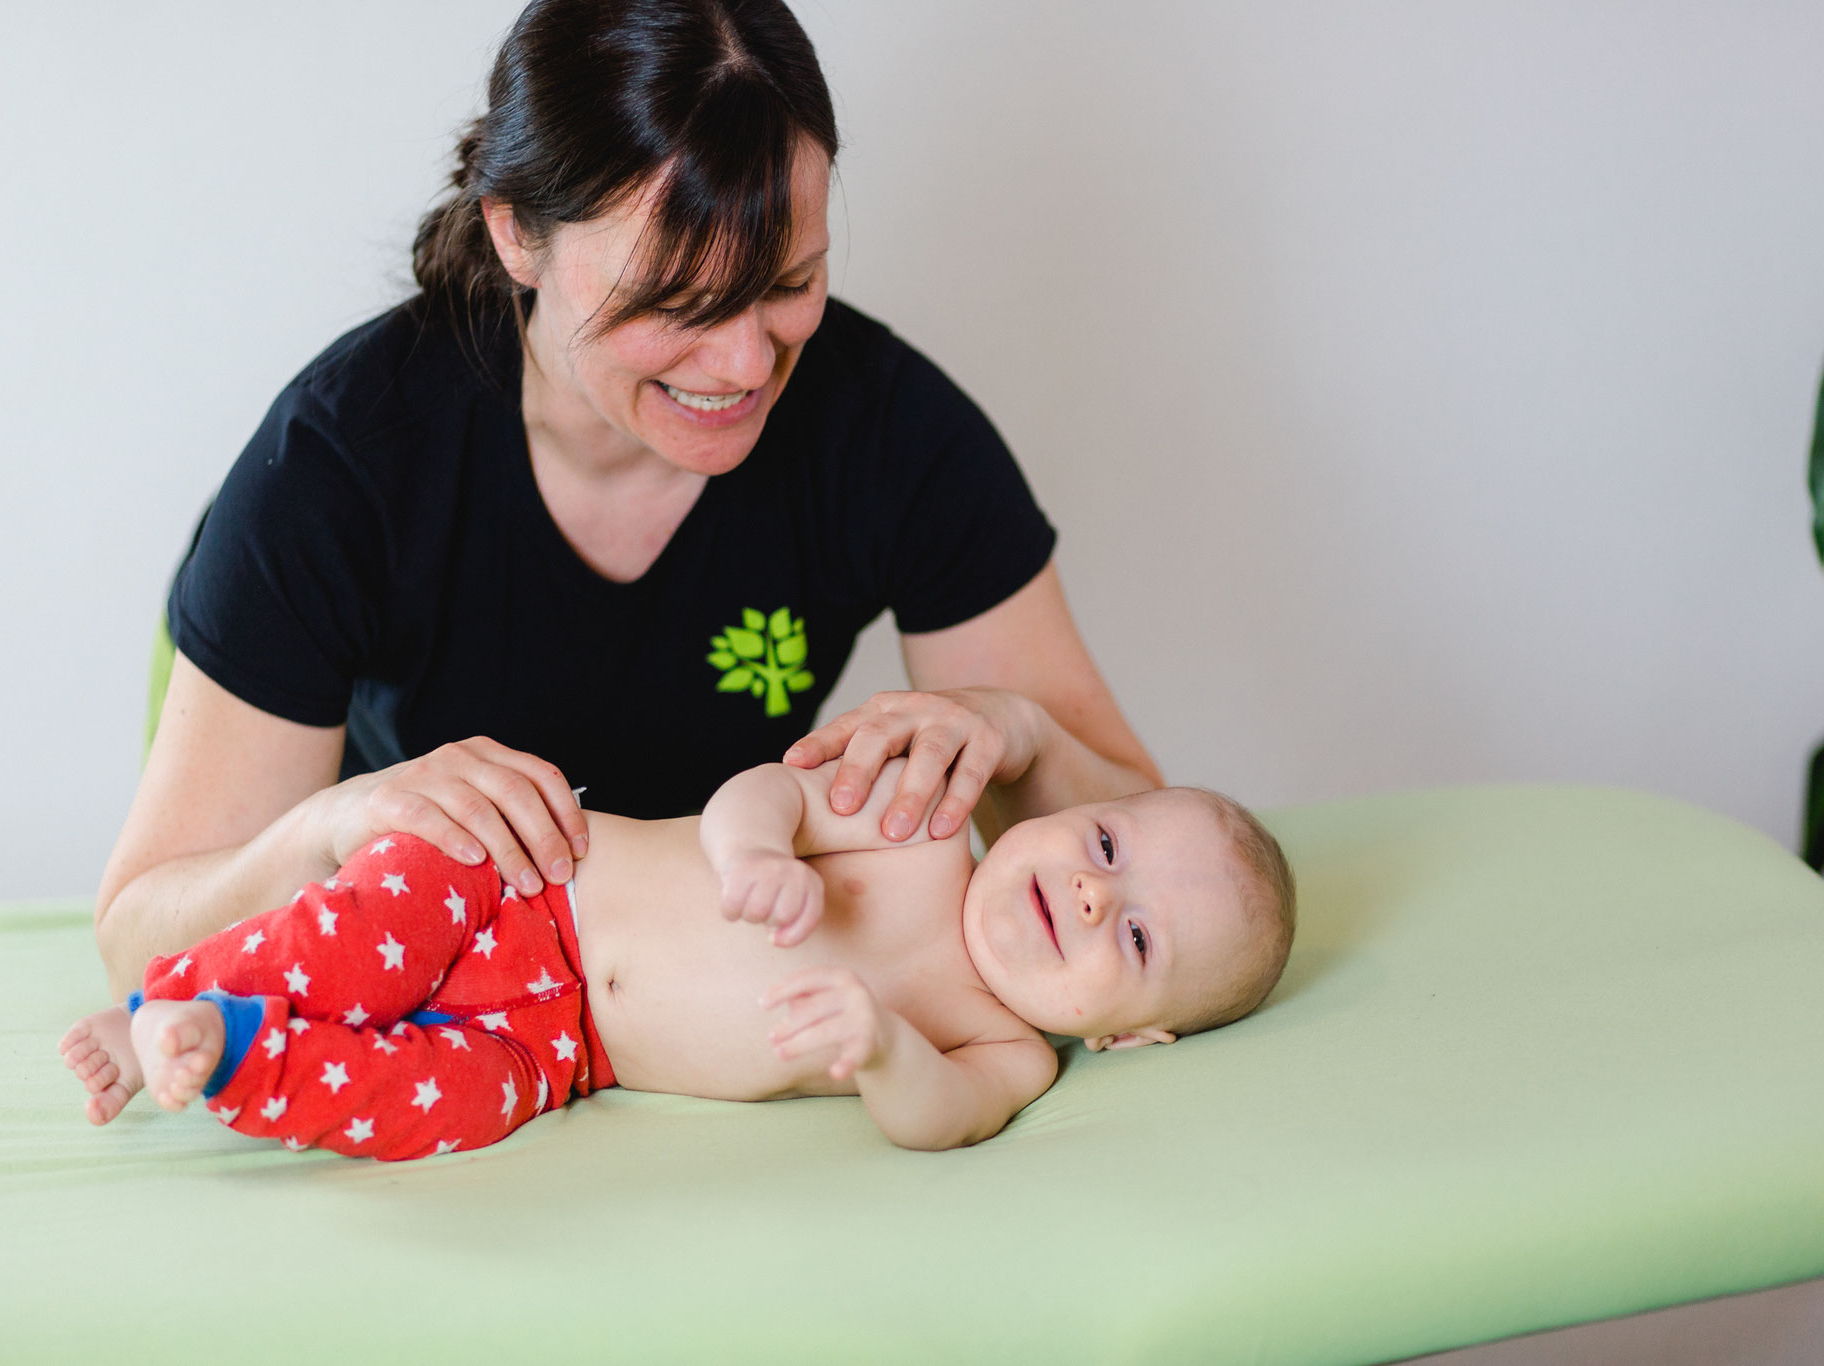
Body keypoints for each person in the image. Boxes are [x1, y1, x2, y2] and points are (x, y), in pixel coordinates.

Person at [97, 0, 1161, 999]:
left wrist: (1018, 731)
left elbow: (1155, 852)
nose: (746, 364)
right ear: (518, 233)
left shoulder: (890, 434)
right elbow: (139, 944)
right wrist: (333, 828)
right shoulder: (340, 469)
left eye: (788, 284)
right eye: (678, 303)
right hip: (431, 950)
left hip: (659, 969)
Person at [60, 753, 1296, 1155]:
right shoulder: (919, 840)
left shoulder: (1009, 1052)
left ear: (1135, 1033)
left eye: (1133, 933)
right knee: (348, 943)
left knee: (434, 1110)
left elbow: (937, 1118)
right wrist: (753, 851)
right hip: (528, 886)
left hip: (557, 1050)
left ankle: (224, 1057)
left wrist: (880, 1047)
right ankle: (164, 1001)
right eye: (1104, 843)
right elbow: (765, 790)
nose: (1085, 892)